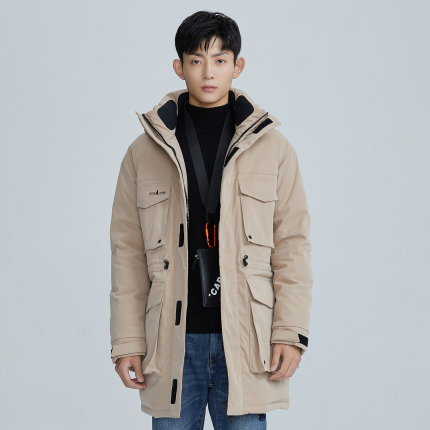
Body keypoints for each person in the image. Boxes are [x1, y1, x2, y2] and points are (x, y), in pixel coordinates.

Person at [109, 10, 313, 429]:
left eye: (220, 60)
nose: (208, 72)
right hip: (171, 342)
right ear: (179, 66)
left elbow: (293, 247)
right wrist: (127, 341)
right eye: (196, 60)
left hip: (248, 340)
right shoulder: (144, 152)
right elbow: (127, 253)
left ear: (238, 66)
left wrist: (289, 333)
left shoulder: (274, 149)